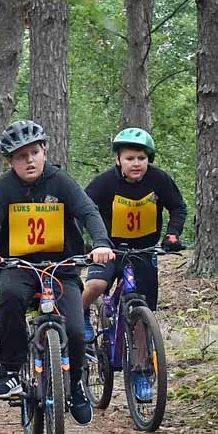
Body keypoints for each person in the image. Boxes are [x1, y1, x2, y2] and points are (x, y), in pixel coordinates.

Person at [0, 119, 115, 426]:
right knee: (10, 298)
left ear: (45, 151)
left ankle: (76, 384)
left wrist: (101, 243)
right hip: (19, 266)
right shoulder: (4, 188)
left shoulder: (60, 181)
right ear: (10, 161)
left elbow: (88, 211)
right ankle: (10, 369)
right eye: (20, 156)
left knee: (77, 332)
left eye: (34, 153)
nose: (29, 160)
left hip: (61, 268)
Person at [81, 127, 186, 401]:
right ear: (118, 160)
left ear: (148, 159)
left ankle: (141, 371)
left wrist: (172, 234)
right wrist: (92, 242)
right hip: (110, 249)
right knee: (95, 284)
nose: (136, 163)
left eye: (141, 158)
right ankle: (81, 314)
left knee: (141, 314)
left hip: (144, 251)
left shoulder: (159, 179)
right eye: (130, 158)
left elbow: (177, 206)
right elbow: (83, 209)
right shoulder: (104, 183)